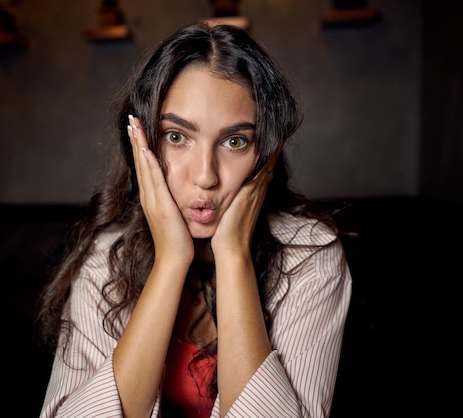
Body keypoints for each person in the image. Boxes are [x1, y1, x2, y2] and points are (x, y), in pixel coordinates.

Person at [36, 21, 352, 418]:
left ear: (267, 154)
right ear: (143, 143)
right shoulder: (106, 257)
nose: (205, 175)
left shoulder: (310, 256)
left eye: (235, 141)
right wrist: (171, 260)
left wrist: (233, 254)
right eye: (176, 136)